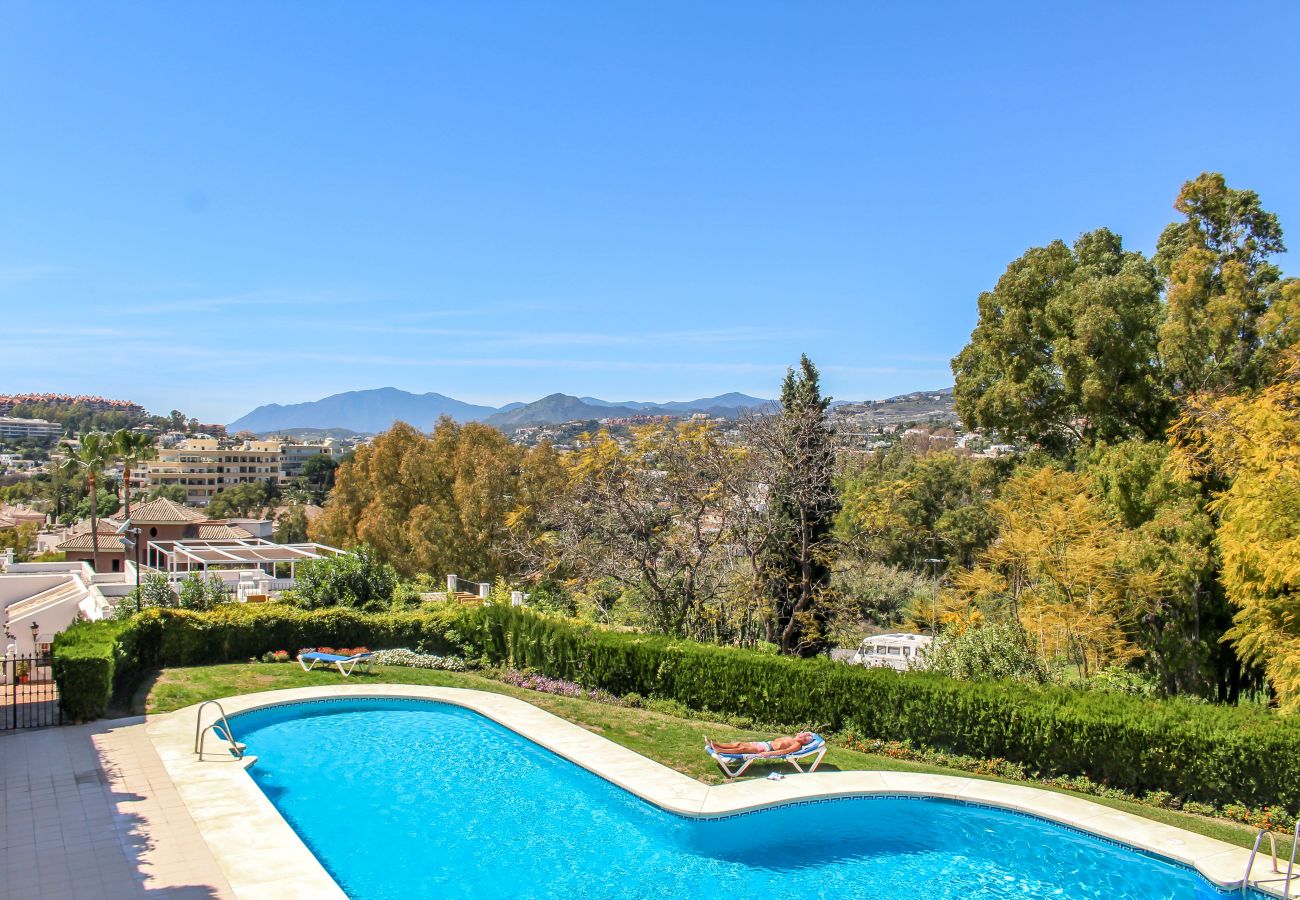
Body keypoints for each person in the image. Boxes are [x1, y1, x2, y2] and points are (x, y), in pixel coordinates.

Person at [706, 732, 815, 757]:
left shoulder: (797, 745)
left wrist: (769, 754)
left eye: (805, 738)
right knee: (738, 744)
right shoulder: (790, 738)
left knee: (742, 749)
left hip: (767, 749)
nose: (803, 736)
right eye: (804, 734)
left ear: (804, 741)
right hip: (764, 744)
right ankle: (715, 744)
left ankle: (720, 750)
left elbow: (784, 752)